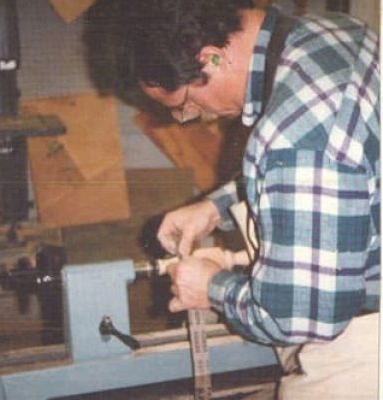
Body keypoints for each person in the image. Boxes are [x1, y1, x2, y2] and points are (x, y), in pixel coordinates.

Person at [91, 0, 380, 398]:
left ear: (212, 58)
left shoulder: (292, 141)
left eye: (185, 104)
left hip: (365, 347)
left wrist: (210, 287)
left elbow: (298, 316)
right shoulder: (331, 31)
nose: (193, 116)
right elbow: (343, 160)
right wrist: (215, 207)